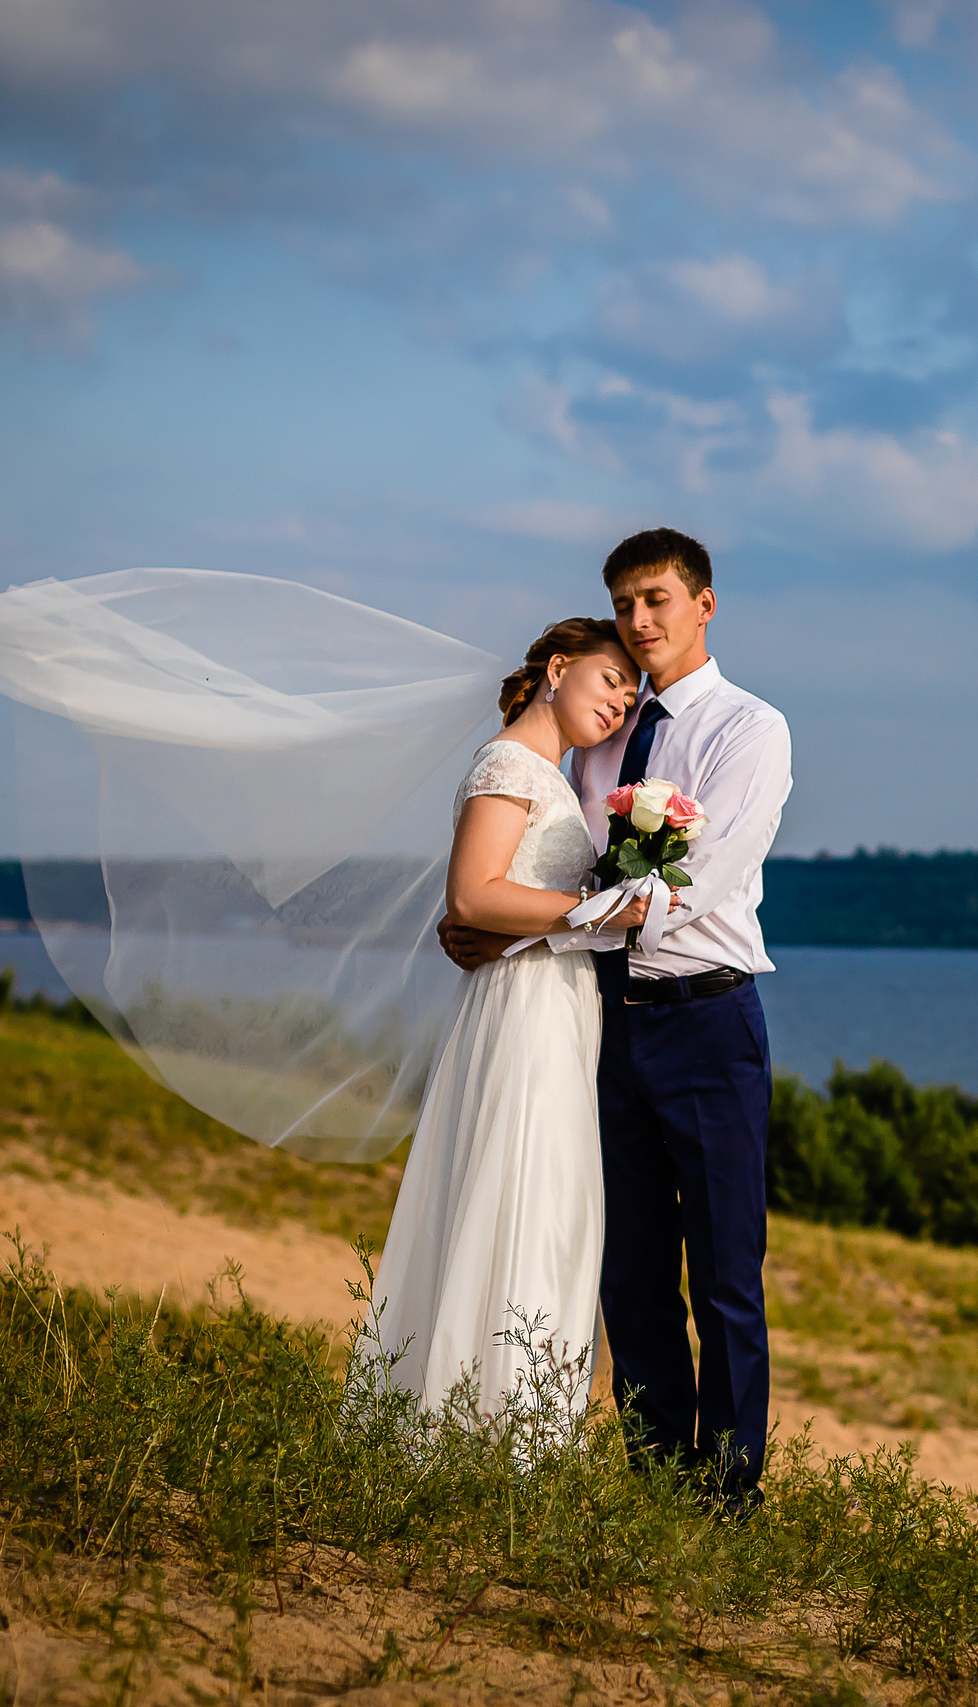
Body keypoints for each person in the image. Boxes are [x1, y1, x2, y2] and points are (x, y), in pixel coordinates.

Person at [443, 528, 792, 1513]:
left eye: (656, 600)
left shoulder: (749, 730)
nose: (639, 621)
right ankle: (658, 1486)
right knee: (628, 1271)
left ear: (703, 605)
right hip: (600, 1024)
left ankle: (729, 1498)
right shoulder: (601, 734)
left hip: (707, 1021)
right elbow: (542, 860)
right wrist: (486, 920)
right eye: (624, 604)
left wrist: (512, 927)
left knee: (725, 1273)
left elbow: (688, 886)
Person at [366, 616, 651, 1429]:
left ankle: (516, 1425)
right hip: (524, 1009)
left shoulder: (552, 776)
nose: (618, 705)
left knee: (550, 1197)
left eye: (628, 698)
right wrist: (597, 910)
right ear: (558, 668)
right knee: (522, 1189)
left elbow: (505, 909)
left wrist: (570, 919)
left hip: (558, 1003)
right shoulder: (509, 763)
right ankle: (479, 1425)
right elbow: (472, 893)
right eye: (609, 681)